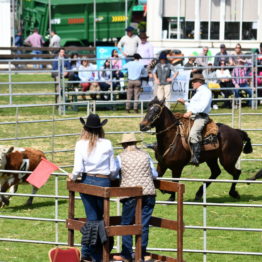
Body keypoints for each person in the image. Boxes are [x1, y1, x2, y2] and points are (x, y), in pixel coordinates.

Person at [69, 113, 116, 262]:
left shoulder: (80, 144)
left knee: (92, 218)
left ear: (86, 128)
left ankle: (87, 253)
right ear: (100, 128)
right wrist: (114, 178)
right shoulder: (107, 143)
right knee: (101, 218)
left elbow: (77, 168)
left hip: (87, 181)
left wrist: (73, 177)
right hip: (104, 182)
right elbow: (113, 168)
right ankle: (98, 252)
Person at [112, 133, 158, 262]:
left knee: (126, 223)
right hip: (148, 192)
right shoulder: (145, 155)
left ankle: (126, 254)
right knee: (143, 224)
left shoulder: (121, 157)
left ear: (124, 145)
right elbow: (154, 174)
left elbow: (114, 174)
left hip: (130, 193)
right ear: (135, 143)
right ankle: (141, 254)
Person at [177, 74, 212, 166]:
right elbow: (194, 106)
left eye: (194, 81)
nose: (192, 83)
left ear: (199, 82)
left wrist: (191, 112)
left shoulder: (206, 92)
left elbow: (202, 106)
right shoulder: (199, 91)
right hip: (193, 115)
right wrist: (185, 103)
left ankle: (196, 157)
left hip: (200, 117)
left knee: (193, 134)